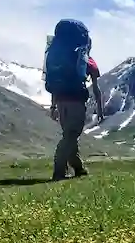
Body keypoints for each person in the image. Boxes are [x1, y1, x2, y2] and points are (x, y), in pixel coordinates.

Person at [44, 19, 104, 181]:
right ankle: (59, 170)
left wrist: (53, 106)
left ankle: (78, 168)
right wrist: (100, 109)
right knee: (71, 135)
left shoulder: (58, 58)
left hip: (61, 101)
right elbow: (96, 88)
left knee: (70, 135)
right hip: (76, 101)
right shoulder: (87, 61)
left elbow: (55, 83)